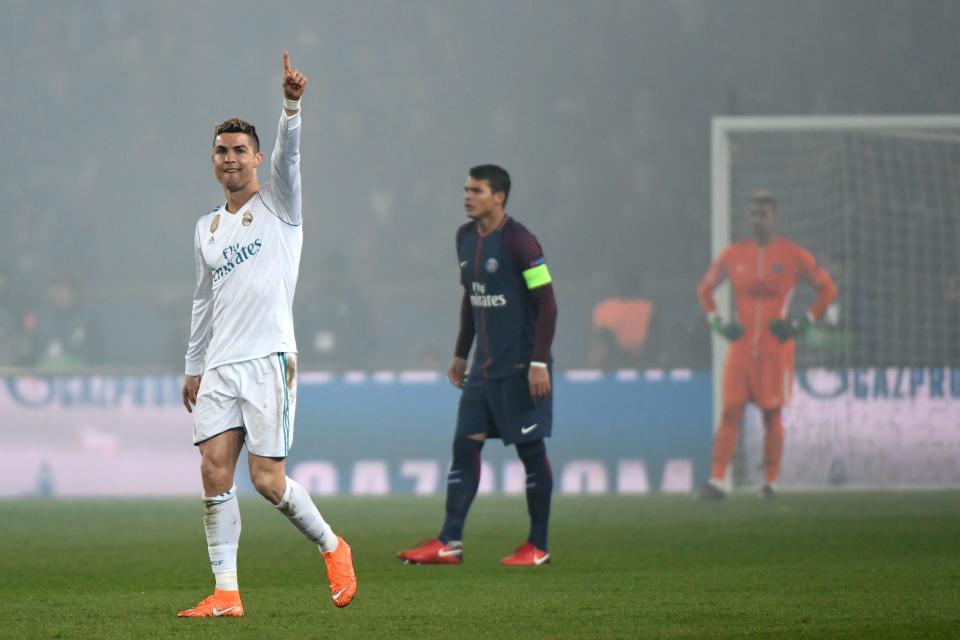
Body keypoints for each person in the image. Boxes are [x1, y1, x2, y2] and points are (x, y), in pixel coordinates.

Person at [178, 53, 356, 618]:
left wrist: (290, 106)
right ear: (213, 160)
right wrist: (193, 365)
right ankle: (227, 593)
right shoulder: (206, 228)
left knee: (268, 482)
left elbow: (292, 153)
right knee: (212, 471)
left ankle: (333, 545)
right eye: (221, 150)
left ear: (257, 158)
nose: (230, 158)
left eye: (239, 150)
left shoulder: (281, 203)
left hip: (268, 359)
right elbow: (203, 301)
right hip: (221, 365)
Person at [398, 164, 558, 566]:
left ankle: (537, 545)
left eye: (477, 190)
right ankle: (449, 541)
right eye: (466, 189)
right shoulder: (465, 238)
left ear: (499, 197)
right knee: (463, 447)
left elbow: (548, 303)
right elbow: (472, 298)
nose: (468, 196)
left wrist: (539, 361)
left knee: (530, 451)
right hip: (483, 370)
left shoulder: (521, 242)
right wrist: (459, 353)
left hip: (521, 368)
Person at [697, 190, 837, 500]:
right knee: (730, 410)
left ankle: (771, 483)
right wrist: (718, 323)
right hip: (742, 348)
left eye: (763, 214)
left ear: (774, 217)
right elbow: (705, 289)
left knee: (771, 416)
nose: (757, 220)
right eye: (753, 214)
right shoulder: (734, 255)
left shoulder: (792, 254)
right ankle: (718, 481)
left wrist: (802, 324)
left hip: (776, 349)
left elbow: (827, 289)